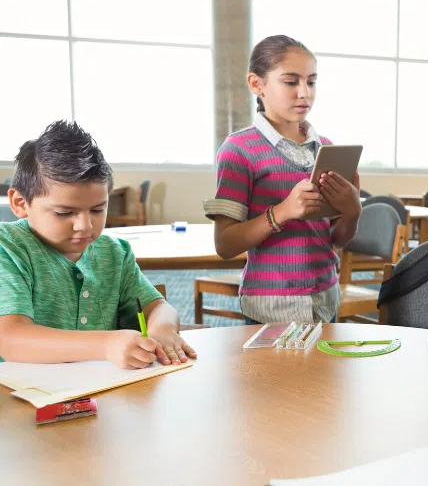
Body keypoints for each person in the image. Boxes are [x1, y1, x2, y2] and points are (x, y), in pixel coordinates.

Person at [0, 121, 196, 369]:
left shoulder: (114, 252)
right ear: (20, 203)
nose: (85, 225)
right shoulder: (8, 247)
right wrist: (106, 344)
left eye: (97, 209)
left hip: (97, 392)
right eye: (64, 212)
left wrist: (162, 328)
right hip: (20, 393)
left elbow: (158, 306)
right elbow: (10, 339)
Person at [204, 35, 360, 324]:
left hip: (325, 297)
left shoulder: (326, 148)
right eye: (291, 82)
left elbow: (337, 239)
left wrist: (352, 211)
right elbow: (225, 245)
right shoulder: (239, 150)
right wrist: (284, 211)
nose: (305, 93)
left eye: (311, 82)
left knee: (325, 371)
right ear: (257, 84)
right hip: (270, 305)